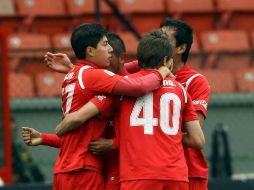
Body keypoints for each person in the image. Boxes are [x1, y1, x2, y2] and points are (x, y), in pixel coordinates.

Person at [44, 30, 205, 190]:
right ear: (166, 61)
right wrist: (165, 132)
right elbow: (198, 140)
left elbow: (81, 115)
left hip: (137, 176)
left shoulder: (121, 88)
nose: (109, 50)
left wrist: (60, 127)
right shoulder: (181, 90)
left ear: (138, 59)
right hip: (176, 176)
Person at [23, 23, 170, 190]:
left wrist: (44, 138)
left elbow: (77, 135)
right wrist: (162, 72)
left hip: (63, 171)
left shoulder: (74, 75)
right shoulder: (94, 77)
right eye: (105, 44)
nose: (109, 50)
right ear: (90, 51)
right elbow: (138, 87)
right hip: (84, 170)